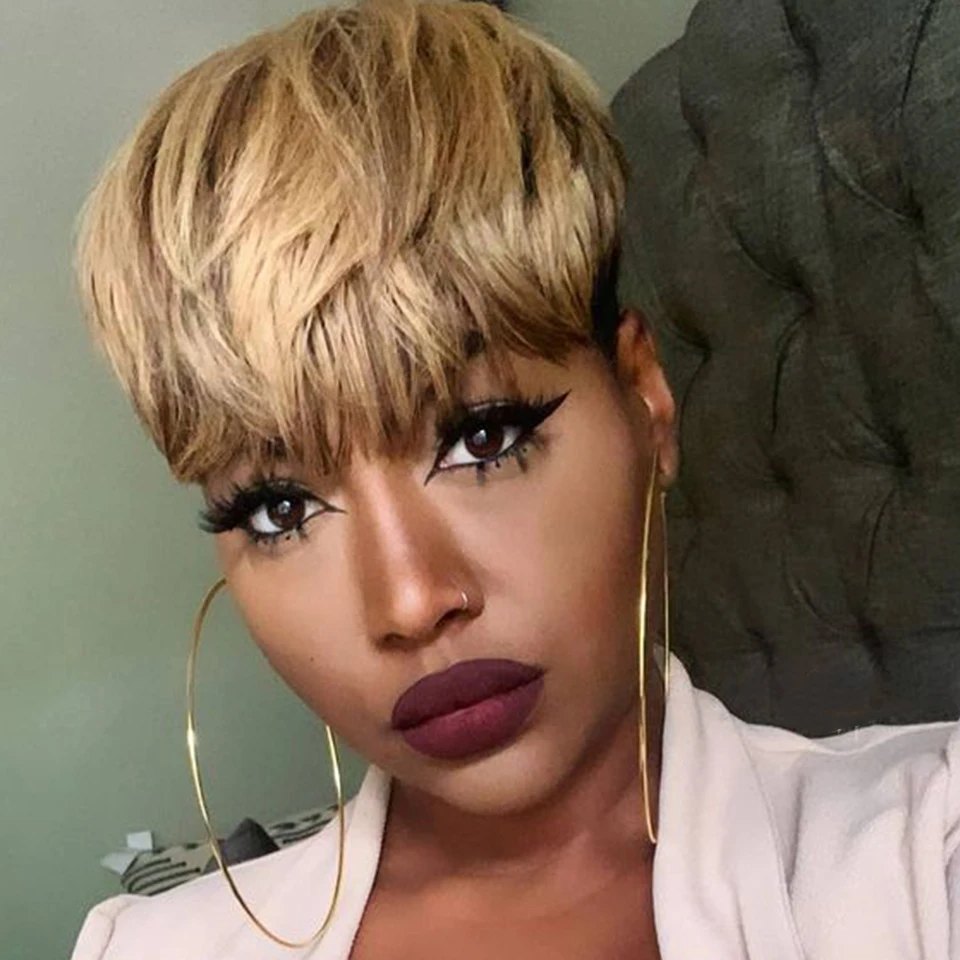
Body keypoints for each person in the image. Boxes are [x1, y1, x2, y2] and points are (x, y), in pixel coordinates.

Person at [69, 1, 960, 958]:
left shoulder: (921, 859)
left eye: (483, 438)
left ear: (647, 400)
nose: (410, 601)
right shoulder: (143, 946)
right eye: (281, 509)